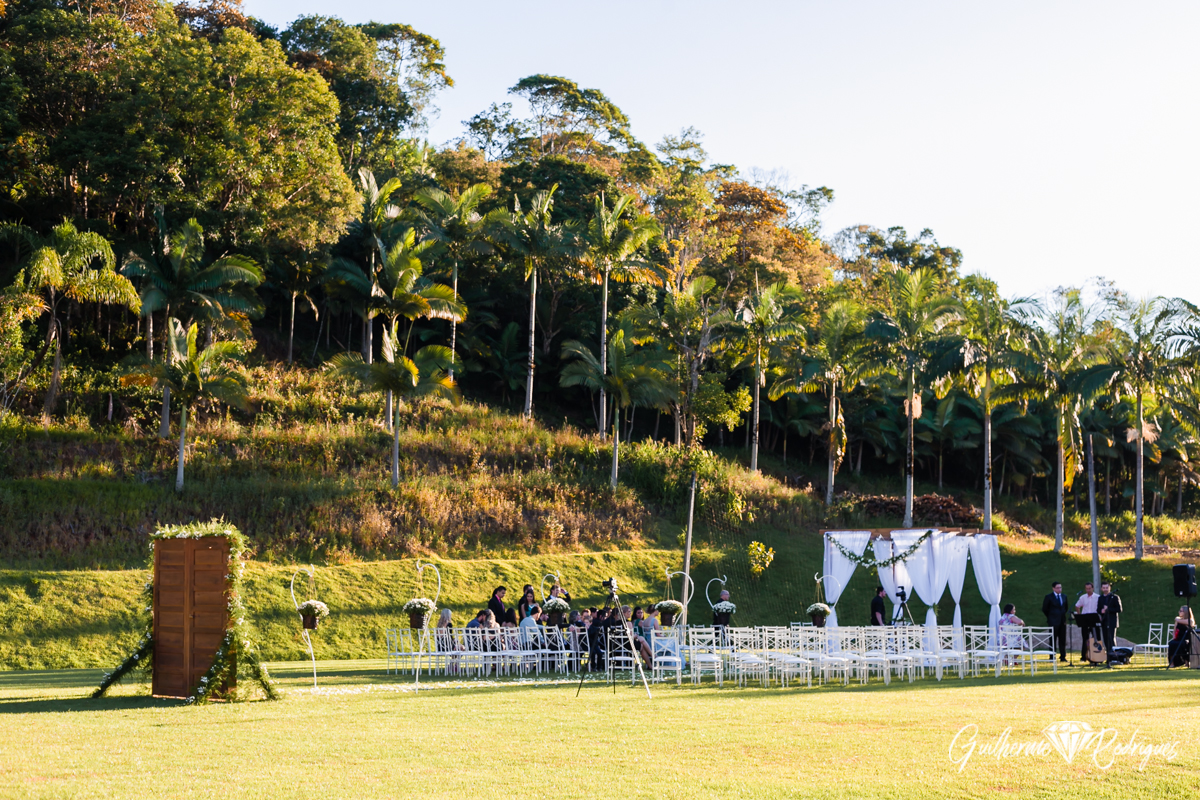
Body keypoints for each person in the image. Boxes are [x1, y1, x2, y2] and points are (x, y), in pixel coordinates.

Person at [1041, 581, 1070, 662]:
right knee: (1053, 639)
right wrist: (1051, 617)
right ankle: (1052, 656)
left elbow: (1065, 607)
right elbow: (1045, 609)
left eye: (1060, 587)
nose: (1059, 589)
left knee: (1062, 639)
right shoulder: (1049, 597)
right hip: (1053, 621)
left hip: (1062, 621)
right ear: (1053, 588)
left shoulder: (1064, 596)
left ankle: (1063, 656)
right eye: (1057, 588)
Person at [1074, 582, 1101, 661]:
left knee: (1097, 638)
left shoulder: (1097, 597)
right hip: (1085, 620)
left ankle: (1098, 655)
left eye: (1089, 588)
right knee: (1085, 639)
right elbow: (1077, 606)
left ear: (1093, 588)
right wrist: (1079, 615)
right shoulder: (1083, 597)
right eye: (1087, 589)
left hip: (1094, 619)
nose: (1088, 590)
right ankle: (1084, 656)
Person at [1097, 581, 1123, 656]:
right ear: (1101, 589)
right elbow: (1098, 609)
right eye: (1104, 588)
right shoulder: (1100, 598)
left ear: (1110, 588)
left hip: (1112, 621)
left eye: (1107, 587)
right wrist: (1101, 611)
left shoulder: (1115, 597)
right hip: (1104, 621)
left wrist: (1108, 609)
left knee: (1111, 639)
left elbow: (1119, 609)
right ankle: (1108, 656)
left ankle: (1114, 656)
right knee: (1105, 639)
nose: (1105, 589)